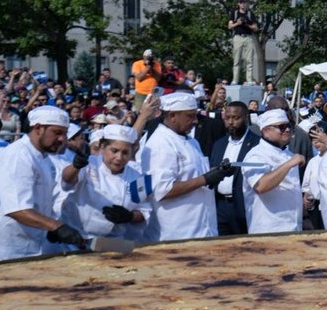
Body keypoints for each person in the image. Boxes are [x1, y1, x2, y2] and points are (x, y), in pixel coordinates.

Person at [0, 106, 85, 265]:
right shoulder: (18, 156)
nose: (63, 139)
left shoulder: (45, 159)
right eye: (57, 133)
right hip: (2, 252)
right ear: (38, 128)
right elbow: (18, 209)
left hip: (28, 247)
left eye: (64, 133)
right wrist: (56, 226)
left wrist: (50, 229)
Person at [142, 92, 229, 241]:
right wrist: (205, 179)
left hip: (203, 229)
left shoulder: (191, 141)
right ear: (172, 116)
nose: (195, 121)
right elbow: (162, 190)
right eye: (190, 116)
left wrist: (218, 172)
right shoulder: (160, 143)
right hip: (177, 233)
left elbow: (193, 176)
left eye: (195, 115)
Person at [59, 124, 152, 242]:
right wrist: (75, 166)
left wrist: (129, 216)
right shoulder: (89, 163)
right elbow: (66, 182)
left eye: (125, 152)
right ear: (102, 147)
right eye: (114, 151)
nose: (119, 157)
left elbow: (145, 211)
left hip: (113, 241)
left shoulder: (140, 177)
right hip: (75, 236)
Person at [240, 109, 305, 234]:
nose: (287, 130)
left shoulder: (288, 154)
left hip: (294, 227)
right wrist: (289, 164)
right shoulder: (256, 155)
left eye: (288, 126)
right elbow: (261, 186)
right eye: (281, 127)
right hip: (268, 229)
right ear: (266, 131)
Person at [208, 101, 259, 235]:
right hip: (220, 207)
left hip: (244, 206)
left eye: (235, 118)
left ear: (246, 118)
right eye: (227, 118)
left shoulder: (257, 144)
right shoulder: (219, 144)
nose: (230, 122)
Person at [228, 0, 260, 85]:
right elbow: (229, 26)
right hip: (238, 37)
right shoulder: (234, 13)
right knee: (237, 59)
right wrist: (237, 23)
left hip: (248, 37)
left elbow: (256, 28)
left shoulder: (250, 14)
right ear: (238, 4)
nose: (243, 4)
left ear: (247, 4)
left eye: (244, 2)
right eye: (241, 2)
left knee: (249, 60)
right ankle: (235, 79)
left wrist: (247, 24)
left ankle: (249, 80)